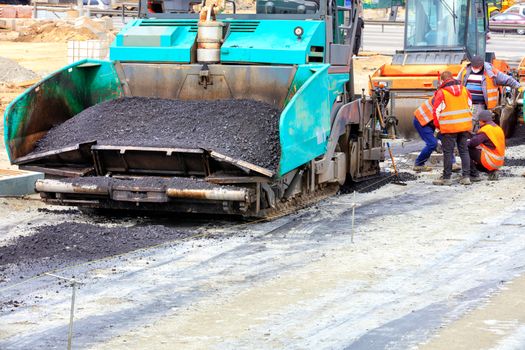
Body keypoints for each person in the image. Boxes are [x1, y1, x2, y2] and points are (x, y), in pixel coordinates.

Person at [432, 71, 473, 186]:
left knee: (448, 152)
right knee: (464, 151)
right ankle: (466, 177)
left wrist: (438, 127)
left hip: (449, 128)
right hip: (464, 126)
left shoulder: (442, 93)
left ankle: (447, 178)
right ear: (452, 78)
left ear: (442, 80)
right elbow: (470, 106)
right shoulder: (465, 90)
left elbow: (436, 112)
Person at [458, 55, 521, 129]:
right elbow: (457, 82)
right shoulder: (465, 70)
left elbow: (507, 79)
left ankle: (473, 136)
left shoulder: (491, 72)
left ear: (482, 65)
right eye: (473, 67)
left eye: (477, 67)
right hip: (466, 102)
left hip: (481, 104)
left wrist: (518, 86)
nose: (475, 69)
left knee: (474, 121)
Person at [412, 97, 461, 173]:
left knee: (447, 140)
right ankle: (419, 164)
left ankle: (452, 163)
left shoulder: (448, 99)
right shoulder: (440, 98)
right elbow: (439, 118)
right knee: (432, 144)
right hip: (421, 120)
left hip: (431, 121)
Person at [468, 110, 505, 182]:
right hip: (499, 161)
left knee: (465, 149)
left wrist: (463, 143)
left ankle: (474, 175)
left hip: (491, 160)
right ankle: (492, 172)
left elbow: (472, 143)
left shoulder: (485, 130)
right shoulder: (497, 128)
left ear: (481, 120)